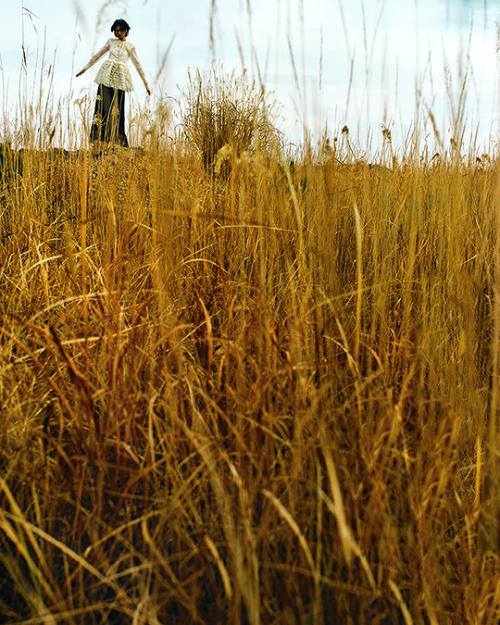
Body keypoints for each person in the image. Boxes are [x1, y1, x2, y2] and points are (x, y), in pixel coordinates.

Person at [76, 18, 151, 148]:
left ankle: (118, 140)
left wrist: (146, 84)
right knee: (102, 106)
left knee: (117, 109)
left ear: (126, 30)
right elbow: (98, 55)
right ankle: (99, 138)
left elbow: (138, 65)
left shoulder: (130, 46)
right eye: (116, 31)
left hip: (120, 78)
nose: (118, 33)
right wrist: (85, 68)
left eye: (120, 30)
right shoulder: (111, 42)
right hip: (106, 75)